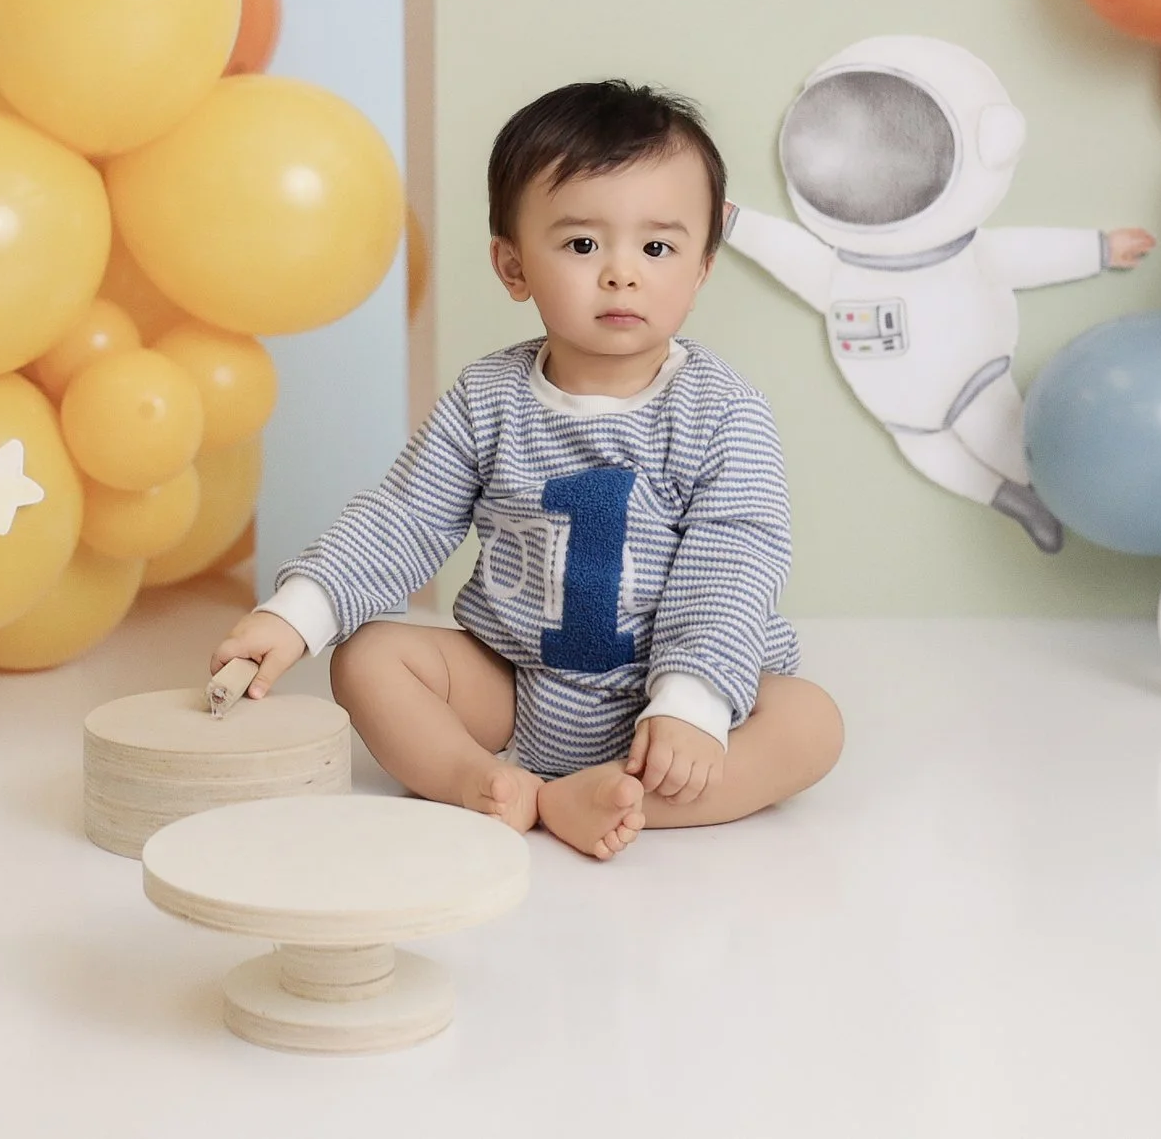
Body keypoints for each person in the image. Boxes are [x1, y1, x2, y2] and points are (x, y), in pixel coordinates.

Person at [211, 81, 843, 860]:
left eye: (657, 247)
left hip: (663, 692)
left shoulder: (721, 412)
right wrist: (298, 611)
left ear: (701, 268)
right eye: (582, 245)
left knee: (809, 724)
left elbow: (734, 562)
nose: (622, 273)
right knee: (370, 658)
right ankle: (482, 781)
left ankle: (619, 797)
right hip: (515, 683)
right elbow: (406, 516)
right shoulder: (489, 398)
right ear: (513, 267)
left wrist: (692, 703)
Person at [727, 36, 1154, 554]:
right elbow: (783, 247)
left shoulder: (965, 255)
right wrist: (732, 223)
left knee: (1015, 450)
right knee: (935, 460)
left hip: (974, 384)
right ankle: (1018, 504)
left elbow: (1028, 254)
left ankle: (1075, 501)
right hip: (901, 415)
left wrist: (1100, 249)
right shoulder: (840, 271)